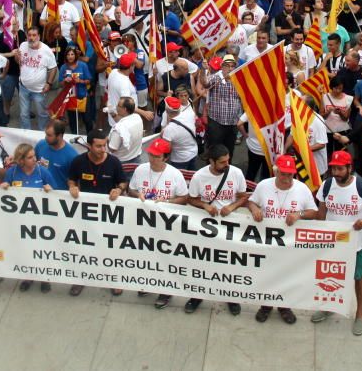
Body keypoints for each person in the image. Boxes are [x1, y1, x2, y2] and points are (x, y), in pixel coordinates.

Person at [311, 150, 362, 333]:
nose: (336, 173)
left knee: (358, 276)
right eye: (333, 169)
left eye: (340, 169)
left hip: (355, 243)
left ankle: (360, 313)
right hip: (332, 242)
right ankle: (328, 307)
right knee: (330, 275)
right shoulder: (327, 185)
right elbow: (321, 213)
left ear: (349, 168)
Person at [247, 154, 317, 324]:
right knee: (266, 274)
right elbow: (251, 202)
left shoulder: (302, 189)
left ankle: (284, 306)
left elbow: (314, 212)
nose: (286, 178)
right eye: (283, 173)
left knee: (287, 276)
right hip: (266, 242)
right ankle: (266, 305)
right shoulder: (264, 186)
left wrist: (298, 214)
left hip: (290, 244)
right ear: (276, 171)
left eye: (290, 174)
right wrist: (255, 210)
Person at [184, 144, 249, 314]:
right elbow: (191, 199)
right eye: (222, 162)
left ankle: (231, 297)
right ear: (211, 161)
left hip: (229, 228)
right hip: (206, 227)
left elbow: (243, 197)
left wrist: (232, 206)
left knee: (229, 265)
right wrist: (205, 205)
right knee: (203, 264)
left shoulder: (236, 173)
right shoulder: (199, 176)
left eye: (228, 160)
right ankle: (197, 296)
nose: (226, 165)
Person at [129, 137, 188, 309]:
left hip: (166, 226)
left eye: (156, 156)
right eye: (151, 155)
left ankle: (165, 292)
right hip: (144, 223)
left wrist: (167, 202)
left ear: (166, 158)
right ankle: (147, 283)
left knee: (166, 259)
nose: (152, 159)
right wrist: (137, 195)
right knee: (146, 256)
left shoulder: (175, 174)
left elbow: (184, 198)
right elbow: (131, 189)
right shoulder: (140, 169)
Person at [67, 128, 127, 296]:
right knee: (84, 247)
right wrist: (72, 186)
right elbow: (72, 178)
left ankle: (114, 279)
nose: (103, 149)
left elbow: (123, 182)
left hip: (108, 214)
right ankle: (81, 279)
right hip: (86, 214)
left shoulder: (114, 162)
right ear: (89, 146)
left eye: (105, 145)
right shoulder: (78, 161)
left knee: (110, 248)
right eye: (99, 146)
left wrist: (119, 190)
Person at [16, 26, 57, 131]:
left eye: (34, 35)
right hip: (23, 87)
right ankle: (26, 133)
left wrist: (49, 83)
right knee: (24, 114)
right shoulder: (22, 45)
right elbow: (19, 62)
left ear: (39, 36)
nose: (31, 38)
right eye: (29, 35)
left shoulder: (46, 50)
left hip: (39, 90)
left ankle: (42, 132)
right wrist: (17, 58)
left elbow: (53, 68)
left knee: (42, 114)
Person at [35, 119, 78, 191]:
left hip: (58, 197)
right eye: (46, 134)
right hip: (40, 192)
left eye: (49, 135)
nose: (46, 137)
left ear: (59, 136)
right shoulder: (40, 145)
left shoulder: (72, 156)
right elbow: (32, 164)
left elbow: (74, 181)